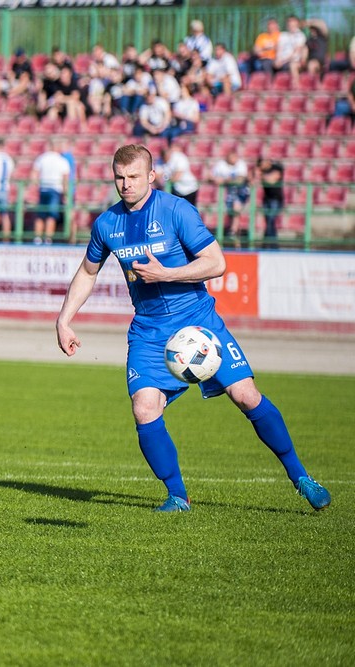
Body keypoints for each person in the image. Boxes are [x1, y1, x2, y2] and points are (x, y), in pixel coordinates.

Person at [55, 144, 331, 513]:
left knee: (246, 395)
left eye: (134, 176)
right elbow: (89, 272)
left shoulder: (176, 210)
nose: (126, 184)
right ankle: (177, 496)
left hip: (199, 323)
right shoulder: (107, 224)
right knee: (144, 407)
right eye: (119, 177)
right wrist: (64, 319)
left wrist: (167, 274)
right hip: (149, 330)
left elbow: (217, 263)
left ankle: (301, 478)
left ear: (151, 176)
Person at [30, 141, 71, 244]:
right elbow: (65, 179)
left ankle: (37, 238)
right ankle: (48, 238)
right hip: (55, 189)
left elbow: (34, 173)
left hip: (43, 188)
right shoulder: (62, 160)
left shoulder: (42, 158)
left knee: (41, 214)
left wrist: (36, 185)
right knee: (51, 215)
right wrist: (66, 194)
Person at [210, 149, 249, 245]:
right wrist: (217, 180)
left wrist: (224, 180)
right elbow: (210, 177)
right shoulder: (221, 164)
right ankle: (232, 234)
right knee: (230, 212)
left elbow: (241, 179)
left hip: (241, 192)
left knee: (236, 207)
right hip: (228, 193)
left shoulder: (241, 164)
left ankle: (233, 232)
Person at [254, 156, 284, 249]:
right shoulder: (264, 171)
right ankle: (269, 243)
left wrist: (260, 175)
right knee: (268, 222)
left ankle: (271, 244)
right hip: (267, 199)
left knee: (271, 221)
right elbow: (252, 179)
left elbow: (271, 180)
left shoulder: (276, 167)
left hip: (276, 199)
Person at [274, 16, 307, 84]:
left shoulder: (301, 36)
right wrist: (278, 59)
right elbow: (279, 49)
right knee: (268, 64)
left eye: (293, 24)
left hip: (294, 61)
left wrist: (283, 60)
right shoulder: (283, 35)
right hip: (281, 61)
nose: (291, 25)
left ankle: (296, 88)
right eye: (289, 23)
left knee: (292, 66)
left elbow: (296, 52)